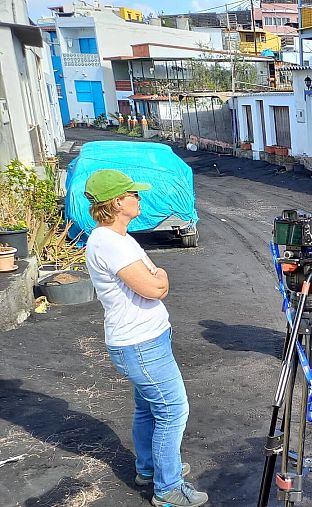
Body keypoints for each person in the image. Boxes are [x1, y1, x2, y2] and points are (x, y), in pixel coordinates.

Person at [83, 170, 207, 507]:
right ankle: (167, 488)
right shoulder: (109, 242)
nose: (139, 198)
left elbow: (155, 282)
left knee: (147, 410)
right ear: (116, 202)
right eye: (133, 194)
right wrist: (161, 277)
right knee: (173, 410)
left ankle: (150, 468)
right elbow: (155, 287)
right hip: (140, 345)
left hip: (144, 340)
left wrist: (159, 278)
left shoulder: (119, 237)